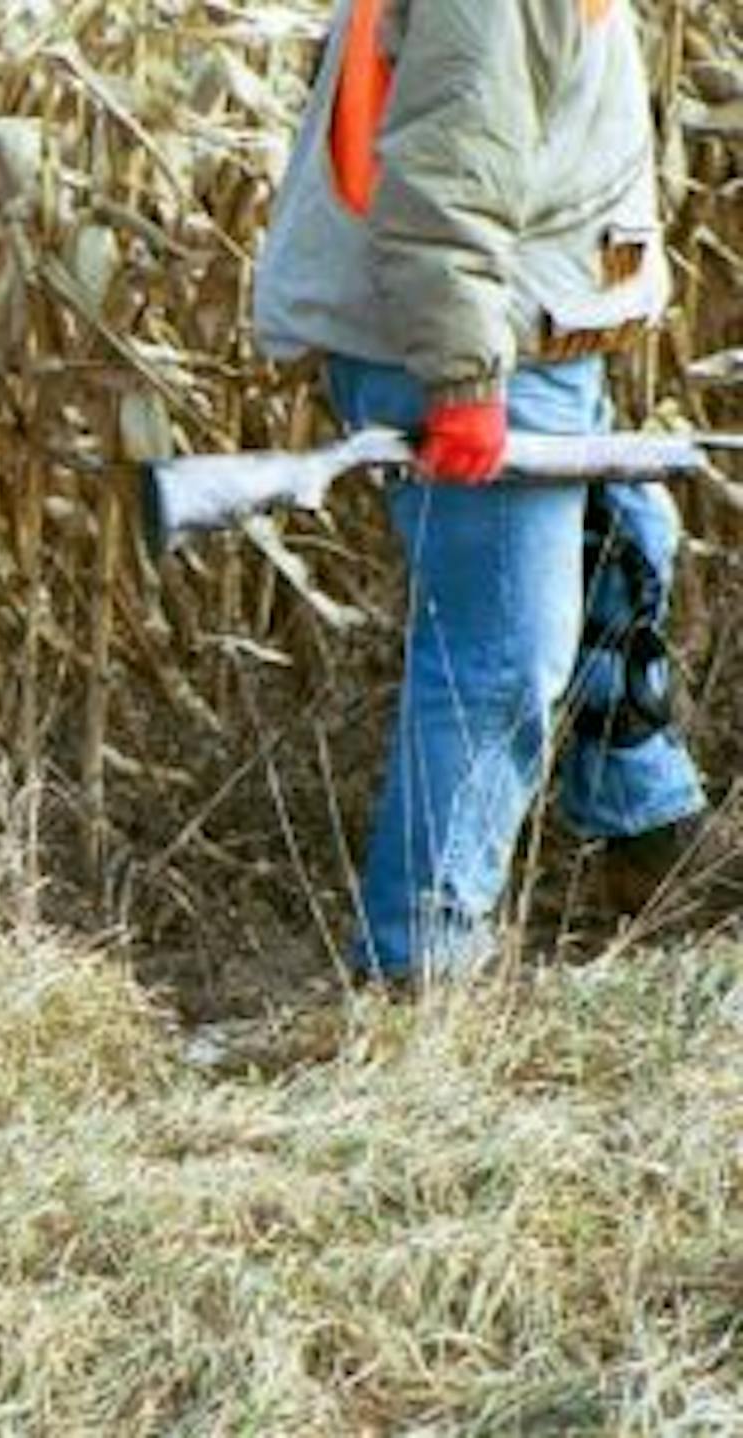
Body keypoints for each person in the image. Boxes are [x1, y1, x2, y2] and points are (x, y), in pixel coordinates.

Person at [251, 0, 726, 985]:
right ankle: (417, 969)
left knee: (624, 540)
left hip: (530, 323)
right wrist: (463, 383)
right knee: (502, 648)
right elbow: (445, 176)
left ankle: (649, 834)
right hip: (465, 342)